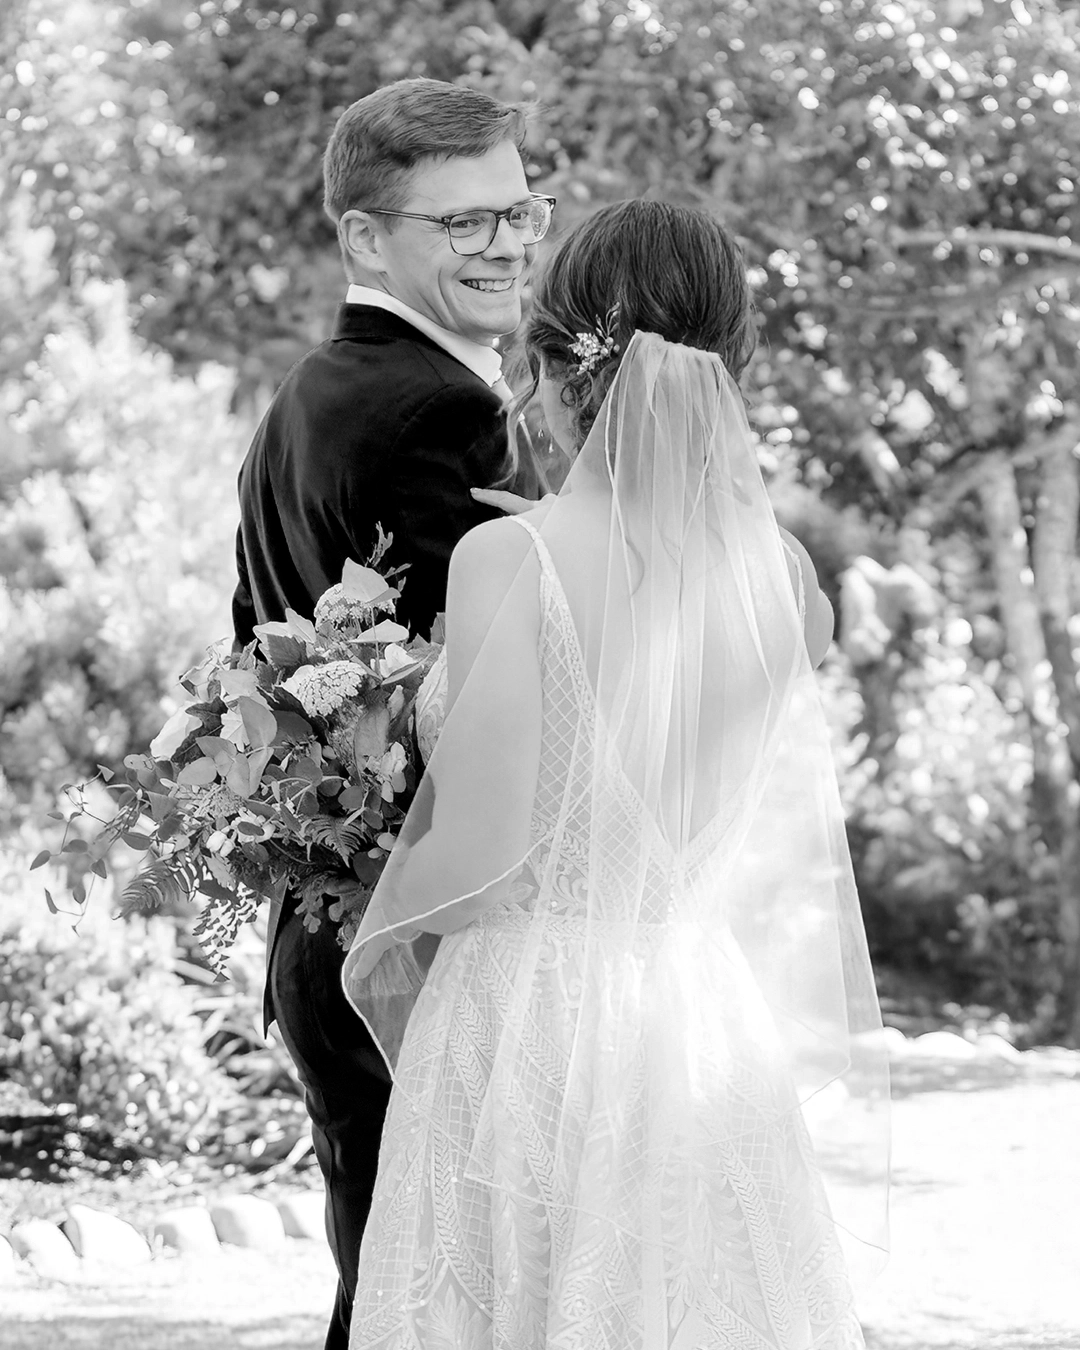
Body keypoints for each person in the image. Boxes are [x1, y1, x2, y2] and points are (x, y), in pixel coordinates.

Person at [343, 200, 890, 1349]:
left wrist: (358, 877)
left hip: (527, 1023)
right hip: (695, 1016)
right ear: (726, 367)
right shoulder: (785, 579)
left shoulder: (511, 557)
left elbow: (486, 852)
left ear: (555, 364)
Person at [230, 77, 551, 1350]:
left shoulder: (302, 398)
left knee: (392, 1291)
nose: (509, 245)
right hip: (423, 944)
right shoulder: (446, 409)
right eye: (464, 225)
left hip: (325, 936)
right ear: (366, 236)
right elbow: (476, 703)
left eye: (518, 211)